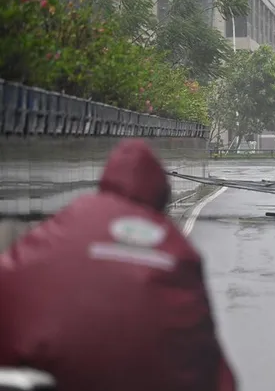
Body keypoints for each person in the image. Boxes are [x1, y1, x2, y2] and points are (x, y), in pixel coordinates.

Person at [0, 138, 237, 391]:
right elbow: (207, 355)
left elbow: (15, 273)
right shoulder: (176, 247)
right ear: (161, 196)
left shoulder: (73, 217)